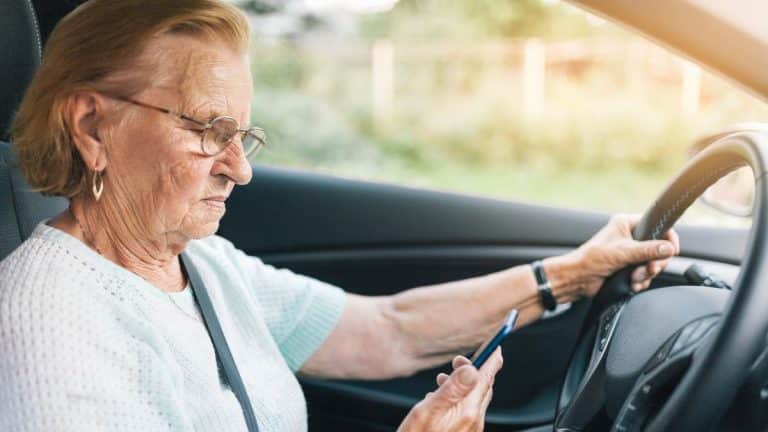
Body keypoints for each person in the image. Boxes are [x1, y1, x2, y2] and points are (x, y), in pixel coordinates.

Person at [0, 1, 679, 431]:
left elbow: (386, 329)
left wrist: (571, 274)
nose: (241, 169)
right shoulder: (47, 324)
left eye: (244, 135)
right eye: (207, 130)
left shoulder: (200, 266)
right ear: (92, 125)